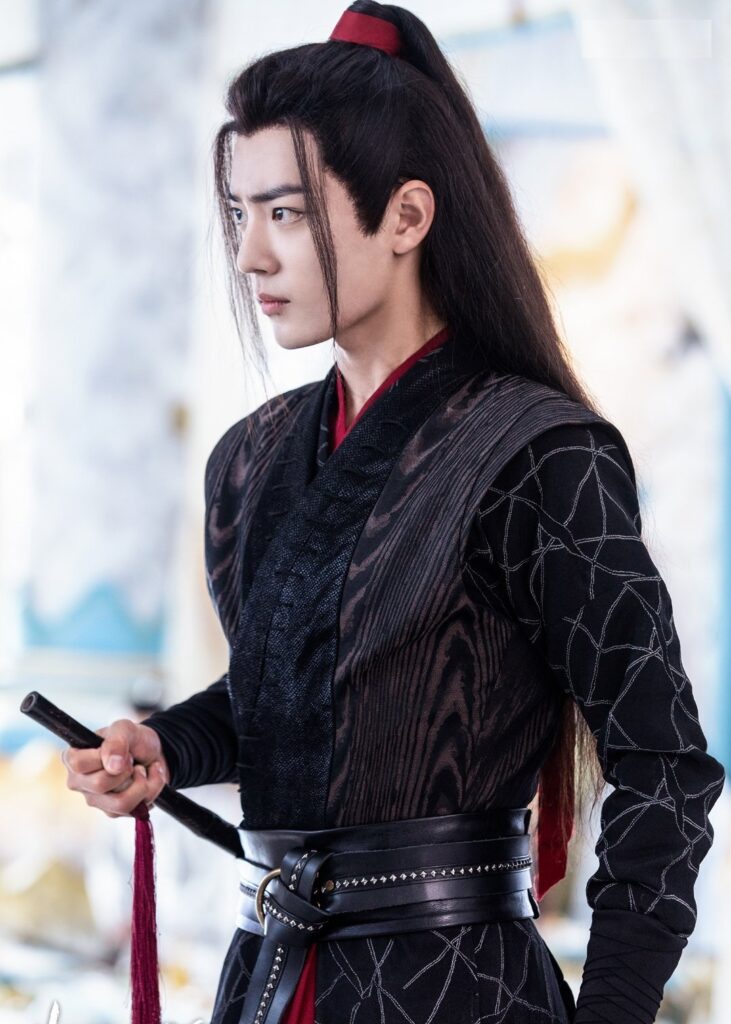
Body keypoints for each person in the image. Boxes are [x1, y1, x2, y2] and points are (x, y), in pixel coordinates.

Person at [61, 3, 726, 1023]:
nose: (250, 256)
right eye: (238, 213)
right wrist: (169, 748)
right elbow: (295, 700)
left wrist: (614, 1008)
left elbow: (663, 766)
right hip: (269, 976)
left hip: (457, 988)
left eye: (286, 214)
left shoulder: (539, 453)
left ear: (407, 216)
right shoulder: (248, 461)